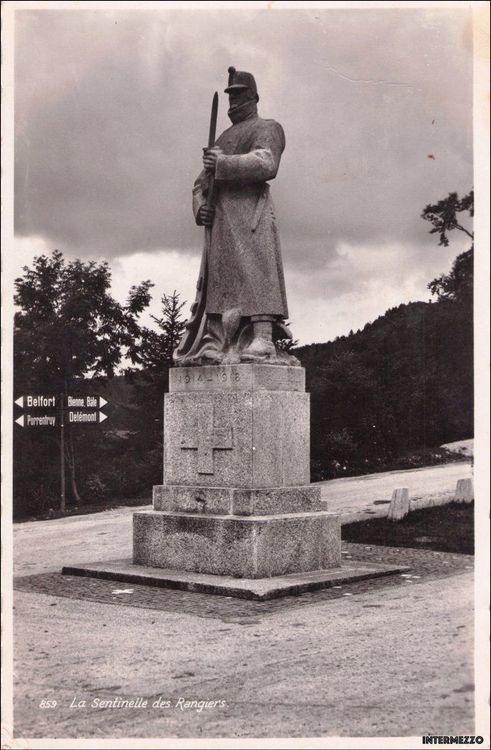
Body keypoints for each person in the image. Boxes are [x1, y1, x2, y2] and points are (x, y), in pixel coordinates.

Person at [174, 67, 294, 365]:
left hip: (250, 214)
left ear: (254, 96)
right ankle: (215, 340)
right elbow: (200, 184)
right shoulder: (223, 137)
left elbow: (267, 163)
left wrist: (224, 163)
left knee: (256, 271)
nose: (234, 100)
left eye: (239, 94)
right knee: (219, 282)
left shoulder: (268, 127)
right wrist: (199, 206)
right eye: (231, 94)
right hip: (222, 220)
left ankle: (263, 337)